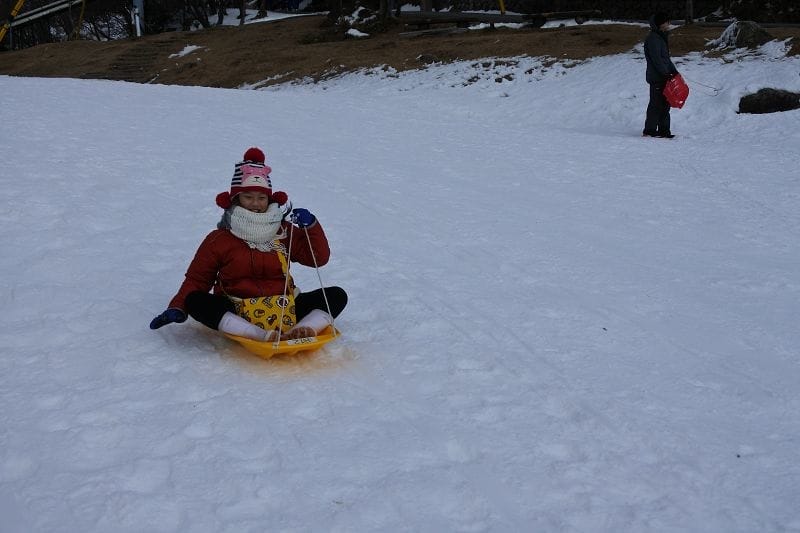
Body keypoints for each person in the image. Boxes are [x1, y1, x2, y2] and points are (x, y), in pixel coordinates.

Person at [150, 147, 347, 342]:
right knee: (195, 300)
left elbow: (318, 258)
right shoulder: (219, 239)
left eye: (261, 198)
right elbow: (197, 279)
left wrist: (310, 226)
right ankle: (259, 335)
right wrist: (178, 307)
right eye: (248, 197)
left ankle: (305, 329)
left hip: (284, 307)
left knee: (336, 295)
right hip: (238, 311)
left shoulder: (283, 232)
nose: (255, 203)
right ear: (236, 200)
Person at [643, 12, 680, 138]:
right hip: (657, 77)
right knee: (655, 104)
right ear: (660, 24)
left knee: (665, 104)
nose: (669, 24)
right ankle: (649, 130)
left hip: (665, 76)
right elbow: (656, 59)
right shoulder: (653, 38)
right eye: (666, 22)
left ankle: (664, 130)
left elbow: (666, 59)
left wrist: (674, 72)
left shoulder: (661, 37)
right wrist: (665, 73)